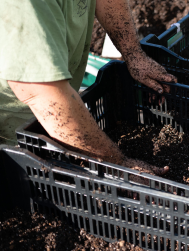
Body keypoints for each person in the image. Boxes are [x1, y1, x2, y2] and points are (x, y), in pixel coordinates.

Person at [0, 0, 177, 175]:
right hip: (14, 134)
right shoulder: (22, 5)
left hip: (57, 102)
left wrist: (133, 53)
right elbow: (43, 94)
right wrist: (118, 165)